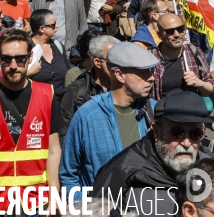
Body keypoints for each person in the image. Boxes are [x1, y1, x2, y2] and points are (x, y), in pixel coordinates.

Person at [0, 28, 64, 215]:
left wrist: (54, 193)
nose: (13, 65)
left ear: (30, 57)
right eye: (7, 59)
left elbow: (54, 149)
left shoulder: (47, 94)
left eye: (20, 59)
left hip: (36, 202)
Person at [60, 41, 159, 200]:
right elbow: (68, 173)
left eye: (151, 70)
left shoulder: (155, 111)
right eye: (143, 72)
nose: (152, 77)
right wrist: (84, 208)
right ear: (119, 75)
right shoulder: (87, 115)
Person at [92, 91, 214, 214]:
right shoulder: (122, 171)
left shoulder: (209, 167)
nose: (187, 143)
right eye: (178, 133)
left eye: (195, 134)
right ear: (156, 132)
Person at [60, 35, 119, 135]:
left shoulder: (127, 88)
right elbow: (64, 132)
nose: (119, 64)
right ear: (97, 62)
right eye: (113, 60)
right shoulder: (76, 91)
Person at [150, 13, 214, 101]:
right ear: (159, 35)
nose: (177, 35)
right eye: (170, 31)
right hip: (163, 112)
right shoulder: (150, 58)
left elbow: (210, 89)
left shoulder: (195, 52)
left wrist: (199, 83)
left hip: (191, 110)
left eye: (180, 29)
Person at [30, 9, 72, 101]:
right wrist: (28, 73)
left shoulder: (58, 46)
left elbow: (69, 73)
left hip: (60, 106)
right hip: (36, 104)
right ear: (42, 29)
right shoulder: (25, 49)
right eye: (53, 25)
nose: (57, 26)